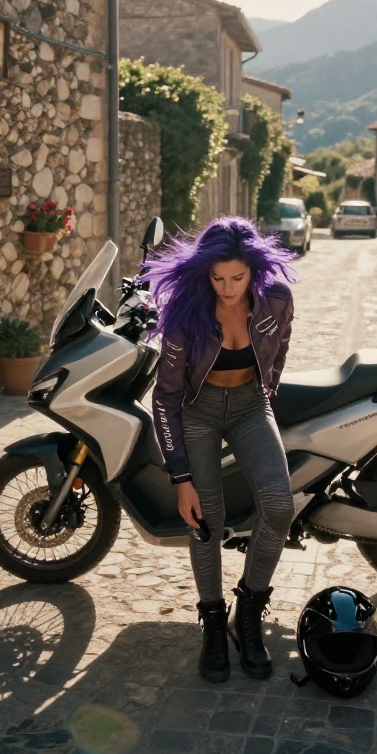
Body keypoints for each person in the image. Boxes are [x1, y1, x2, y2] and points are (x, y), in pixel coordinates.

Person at [148, 216, 296, 682]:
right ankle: (214, 621)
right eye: (217, 278)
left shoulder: (277, 300)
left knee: (279, 508)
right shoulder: (185, 314)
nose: (228, 288)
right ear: (204, 272)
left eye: (237, 277)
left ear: (254, 269)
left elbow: (281, 348)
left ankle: (246, 616)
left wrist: (266, 395)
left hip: (252, 405)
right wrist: (181, 478)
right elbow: (166, 397)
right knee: (204, 520)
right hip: (199, 410)